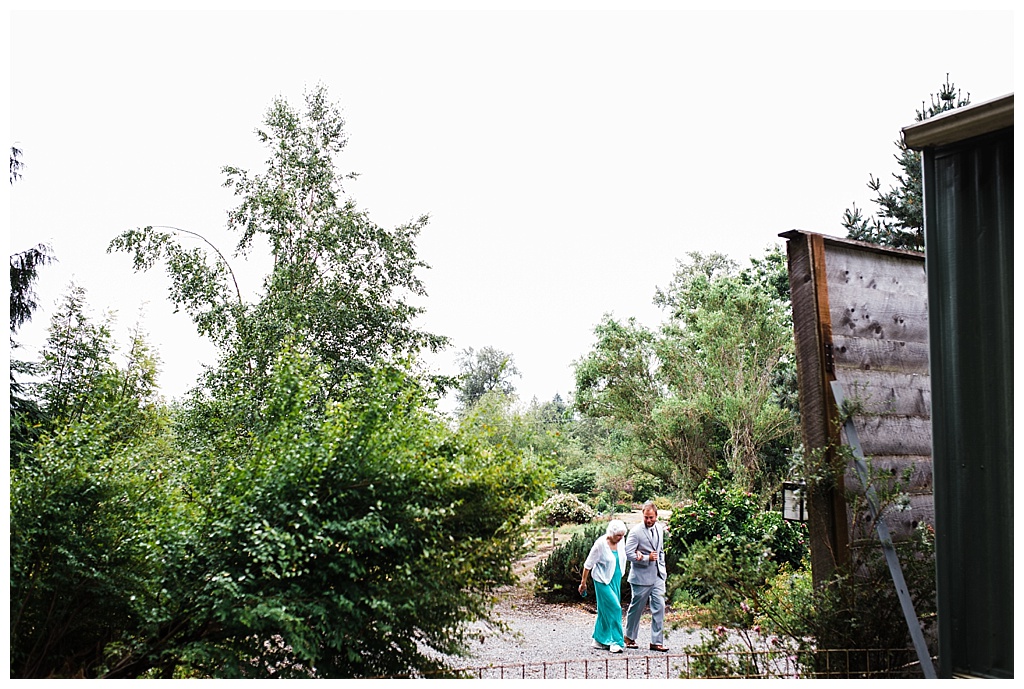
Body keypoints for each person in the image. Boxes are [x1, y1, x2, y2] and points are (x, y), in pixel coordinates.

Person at [624, 501, 669, 652]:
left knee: (660, 607)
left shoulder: (659, 529)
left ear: (656, 516)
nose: (648, 520)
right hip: (641, 576)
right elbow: (628, 553)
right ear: (642, 516)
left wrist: (662, 567)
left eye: (651, 517)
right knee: (636, 608)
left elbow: (660, 550)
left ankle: (656, 642)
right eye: (646, 517)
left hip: (658, 575)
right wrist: (645, 558)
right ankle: (629, 637)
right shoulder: (636, 532)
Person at [578, 519, 628, 653]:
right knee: (615, 608)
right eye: (618, 535)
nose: (621, 538)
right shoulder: (600, 544)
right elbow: (588, 565)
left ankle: (599, 640)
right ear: (611, 533)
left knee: (605, 610)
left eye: (623, 535)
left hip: (615, 579)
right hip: (602, 581)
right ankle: (616, 641)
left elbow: (623, 556)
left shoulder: (621, 541)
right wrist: (583, 583)